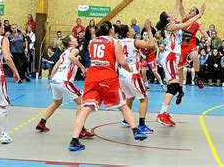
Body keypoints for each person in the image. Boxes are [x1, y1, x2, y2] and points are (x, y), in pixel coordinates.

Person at [68, 21, 148, 152]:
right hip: (107, 76)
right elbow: (122, 62)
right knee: (122, 105)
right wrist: (129, 69)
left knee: (86, 108)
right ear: (111, 30)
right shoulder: (114, 42)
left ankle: (74, 140)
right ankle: (135, 130)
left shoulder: (92, 42)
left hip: (92, 76)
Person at [155, 2, 206, 126]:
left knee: (174, 86)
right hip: (171, 57)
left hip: (174, 57)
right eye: (170, 14)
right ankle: (162, 114)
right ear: (168, 18)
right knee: (175, 86)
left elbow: (177, 7)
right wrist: (200, 15)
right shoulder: (170, 26)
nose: (173, 13)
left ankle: (164, 113)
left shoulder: (171, 23)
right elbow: (186, 24)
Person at [36, 35, 94, 138]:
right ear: (70, 43)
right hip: (64, 81)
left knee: (57, 102)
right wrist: (82, 68)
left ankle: (42, 123)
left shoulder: (63, 53)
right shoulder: (74, 50)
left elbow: (55, 67)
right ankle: (80, 130)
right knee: (83, 102)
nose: (76, 39)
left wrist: (51, 80)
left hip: (56, 81)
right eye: (74, 39)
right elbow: (72, 57)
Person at [117, 21, 156, 134]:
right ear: (128, 33)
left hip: (122, 74)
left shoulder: (118, 42)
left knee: (130, 97)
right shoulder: (134, 42)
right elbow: (151, 45)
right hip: (132, 73)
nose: (133, 28)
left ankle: (126, 119)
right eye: (130, 28)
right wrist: (148, 30)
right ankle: (142, 125)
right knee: (143, 98)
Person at [174, 0, 210, 90]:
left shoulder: (198, 24)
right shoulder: (184, 19)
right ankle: (180, 91)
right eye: (190, 9)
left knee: (195, 55)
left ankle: (197, 77)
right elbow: (180, 5)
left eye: (192, 10)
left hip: (190, 46)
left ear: (196, 13)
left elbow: (206, 35)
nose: (190, 10)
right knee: (179, 71)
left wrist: (208, 39)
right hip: (181, 47)